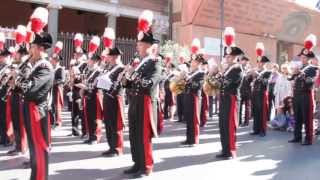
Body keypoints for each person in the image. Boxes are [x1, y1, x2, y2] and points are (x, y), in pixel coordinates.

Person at [122, 30, 161, 177]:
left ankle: (146, 166)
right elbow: (129, 84)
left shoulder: (155, 62)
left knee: (143, 135)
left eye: (140, 44)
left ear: (148, 46)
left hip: (145, 103)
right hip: (134, 101)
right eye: (138, 44)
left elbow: (150, 83)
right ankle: (137, 162)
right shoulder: (140, 63)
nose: (137, 46)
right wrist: (125, 77)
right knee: (134, 133)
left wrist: (134, 76)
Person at [20, 32, 54, 180]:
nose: (30, 50)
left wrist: (23, 75)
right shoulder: (35, 65)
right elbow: (23, 89)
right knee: (34, 147)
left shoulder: (45, 67)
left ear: (40, 48)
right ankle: (36, 175)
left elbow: (31, 91)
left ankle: (40, 177)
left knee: (39, 147)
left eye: (32, 47)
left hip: (37, 110)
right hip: (30, 108)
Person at [216, 45, 243, 159]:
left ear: (235, 57)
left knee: (230, 125)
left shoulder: (237, 68)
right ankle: (224, 149)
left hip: (231, 99)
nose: (228, 58)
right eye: (226, 56)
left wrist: (221, 74)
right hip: (224, 98)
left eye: (230, 56)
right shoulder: (227, 69)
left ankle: (231, 151)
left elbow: (228, 83)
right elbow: (219, 83)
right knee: (222, 125)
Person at [288, 40, 318, 145]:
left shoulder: (312, 69)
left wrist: (303, 74)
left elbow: (310, 82)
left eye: (304, 57)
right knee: (297, 117)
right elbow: (290, 78)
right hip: (297, 95)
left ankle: (308, 138)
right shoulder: (299, 67)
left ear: (309, 59)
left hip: (306, 94)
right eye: (301, 57)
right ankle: (297, 136)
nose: (302, 59)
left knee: (307, 117)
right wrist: (292, 73)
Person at [99, 47, 125, 157]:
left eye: (109, 56)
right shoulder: (110, 68)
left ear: (114, 57)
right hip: (107, 97)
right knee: (108, 123)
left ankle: (117, 148)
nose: (107, 58)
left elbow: (121, 84)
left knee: (116, 123)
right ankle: (111, 146)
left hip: (115, 98)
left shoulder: (121, 68)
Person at [181, 53, 205, 146]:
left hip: (195, 97)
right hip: (187, 96)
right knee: (189, 118)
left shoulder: (201, 73)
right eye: (192, 61)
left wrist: (188, 79)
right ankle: (188, 139)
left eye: (194, 61)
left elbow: (197, 86)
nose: (191, 63)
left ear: (198, 63)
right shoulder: (190, 73)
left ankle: (194, 140)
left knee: (194, 119)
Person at [251, 56, 272, 137]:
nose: (259, 64)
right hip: (255, 93)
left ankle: (263, 130)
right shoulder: (255, 71)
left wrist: (258, 75)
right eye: (258, 62)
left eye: (261, 62)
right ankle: (256, 129)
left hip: (262, 93)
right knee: (255, 111)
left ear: (264, 63)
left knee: (262, 112)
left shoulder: (267, 72)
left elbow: (265, 82)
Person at [50, 54, 65, 127]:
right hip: (52, 88)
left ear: (56, 61)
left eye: (53, 59)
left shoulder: (60, 69)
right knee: (52, 105)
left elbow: (62, 80)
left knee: (57, 105)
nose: (51, 61)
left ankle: (58, 121)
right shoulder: (52, 69)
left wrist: (53, 82)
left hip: (58, 88)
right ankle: (53, 120)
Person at [238, 56, 253, 126]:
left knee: (247, 107)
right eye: (243, 61)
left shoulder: (249, 71)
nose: (244, 62)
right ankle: (239, 121)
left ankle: (246, 122)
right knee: (239, 107)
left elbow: (251, 81)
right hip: (240, 91)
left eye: (246, 61)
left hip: (247, 91)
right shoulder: (239, 69)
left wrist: (249, 75)